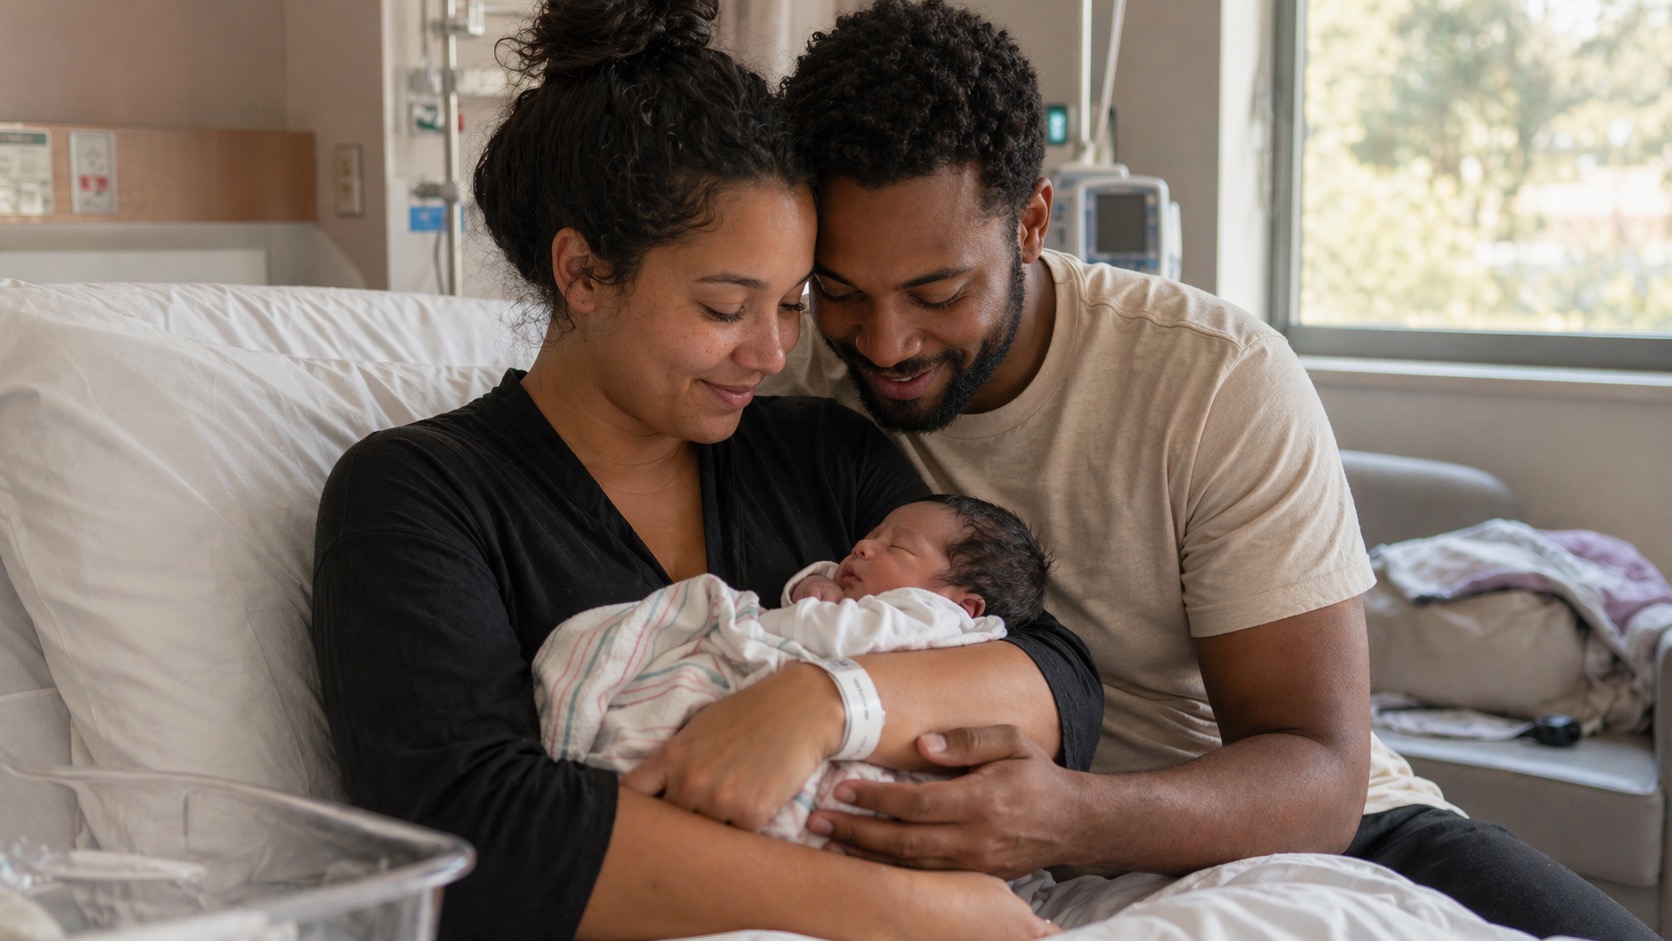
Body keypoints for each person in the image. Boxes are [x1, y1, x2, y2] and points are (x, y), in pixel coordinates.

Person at [763, 2, 1660, 940]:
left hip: (1316, 831)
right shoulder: (789, 366)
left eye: (938, 293)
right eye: (840, 291)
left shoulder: (1213, 377)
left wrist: (1070, 814)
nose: (886, 342)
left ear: (1031, 222)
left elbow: (1320, 772)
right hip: (1031, 873)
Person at [308, 1, 1100, 940]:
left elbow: (1051, 672)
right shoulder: (419, 496)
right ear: (583, 273)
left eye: (793, 304)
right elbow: (469, 833)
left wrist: (823, 703)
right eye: (727, 308)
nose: (772, 352)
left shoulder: (825, 457)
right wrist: (905, 909)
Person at [531, 494, 1043, 848]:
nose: (863, 547)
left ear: (964, 604)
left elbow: (832, 636)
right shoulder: (891, 602)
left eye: (897, 547)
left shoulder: (938, 619)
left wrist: (794, 610)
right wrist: (818, 588)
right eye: (871, 535)